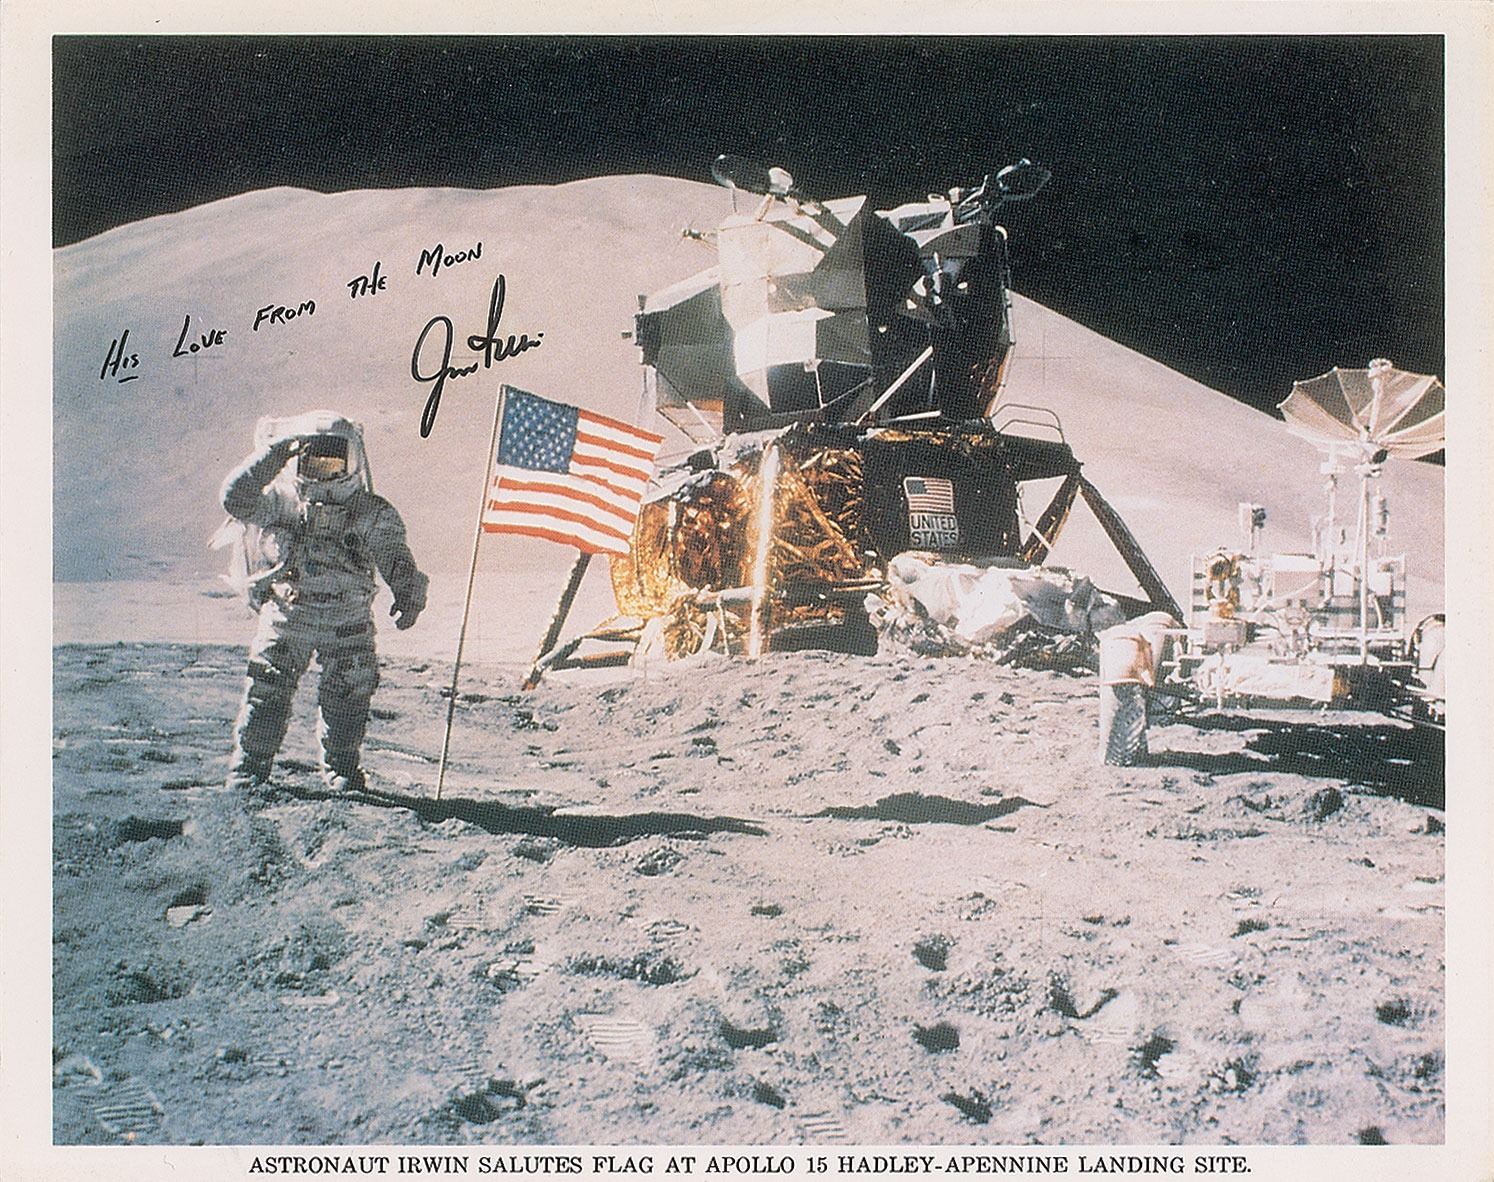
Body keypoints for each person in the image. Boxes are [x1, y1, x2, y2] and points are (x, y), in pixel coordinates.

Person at [219, 412, 428, 794]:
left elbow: (396, 558)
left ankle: (342, 768)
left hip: (347, 619)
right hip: (289, 614)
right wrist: (270, 458)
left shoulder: (370, 512)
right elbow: (235, 499)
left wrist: (408, 593)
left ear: (352, 459)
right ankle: (249, 769)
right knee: (266, 691)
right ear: (299, 458)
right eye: (315, 460)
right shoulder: (283, 502)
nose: (325, 470)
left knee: (349, 697)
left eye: (334, 461)